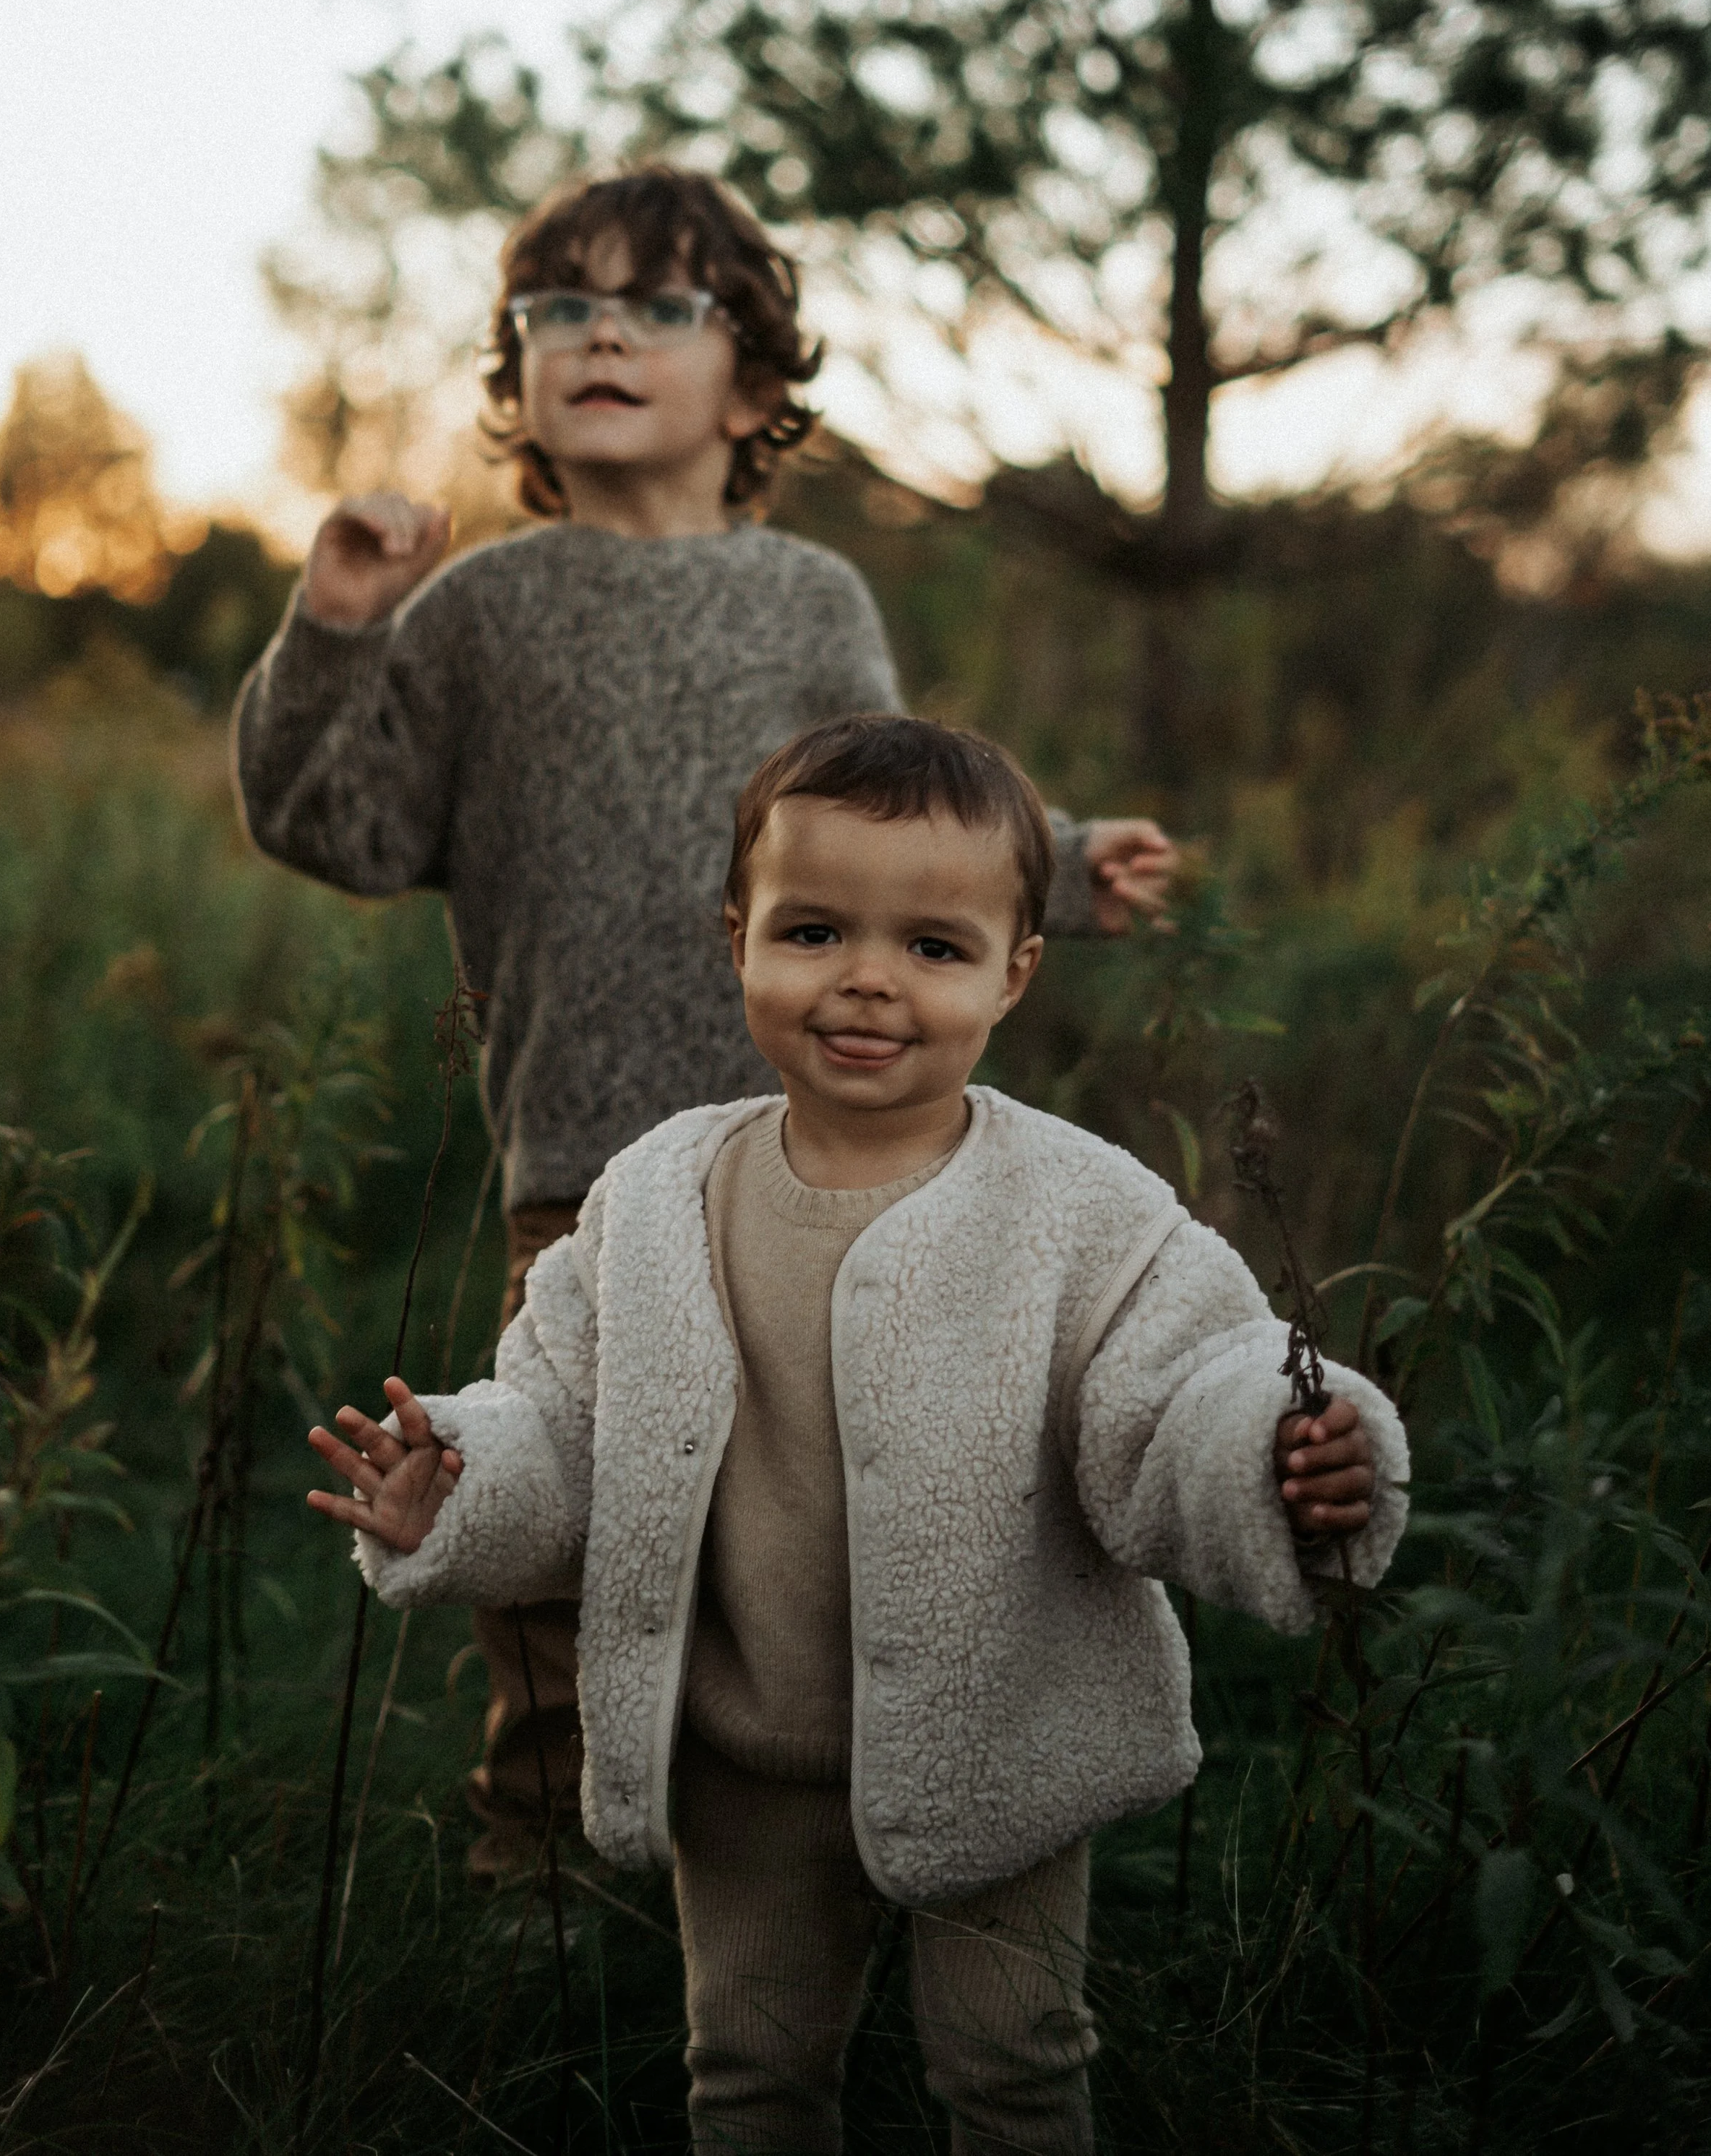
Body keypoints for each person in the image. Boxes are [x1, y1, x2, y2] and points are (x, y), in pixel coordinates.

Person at [236, 168, 1179, 1874]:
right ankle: (551, 1864)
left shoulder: (808, 600)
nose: (600, 327)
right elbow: (337, 824)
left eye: (660, 303)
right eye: (558, 305)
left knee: (802, 1527)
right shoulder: (482, 609)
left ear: (748, 386)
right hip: (587, 1173)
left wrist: (1053, 857)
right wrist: (339, 627)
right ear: (517, 379)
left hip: (820, 1163)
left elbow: (891, 822)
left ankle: (834, 1840)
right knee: (568, 1515)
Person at [306, 713, 1410, 2155]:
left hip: (1000, 1735)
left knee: (1013, 2070)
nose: (867, 982)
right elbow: (568, 1427)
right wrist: (458, 1480)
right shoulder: (653, 1197)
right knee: (749, 2075)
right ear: (736, 935)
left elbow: (1180, 1385)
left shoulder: (1080, 1212)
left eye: (934, 949)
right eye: (814, 930)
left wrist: (1277, 1447)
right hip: (742, 1745)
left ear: (1015, 971)